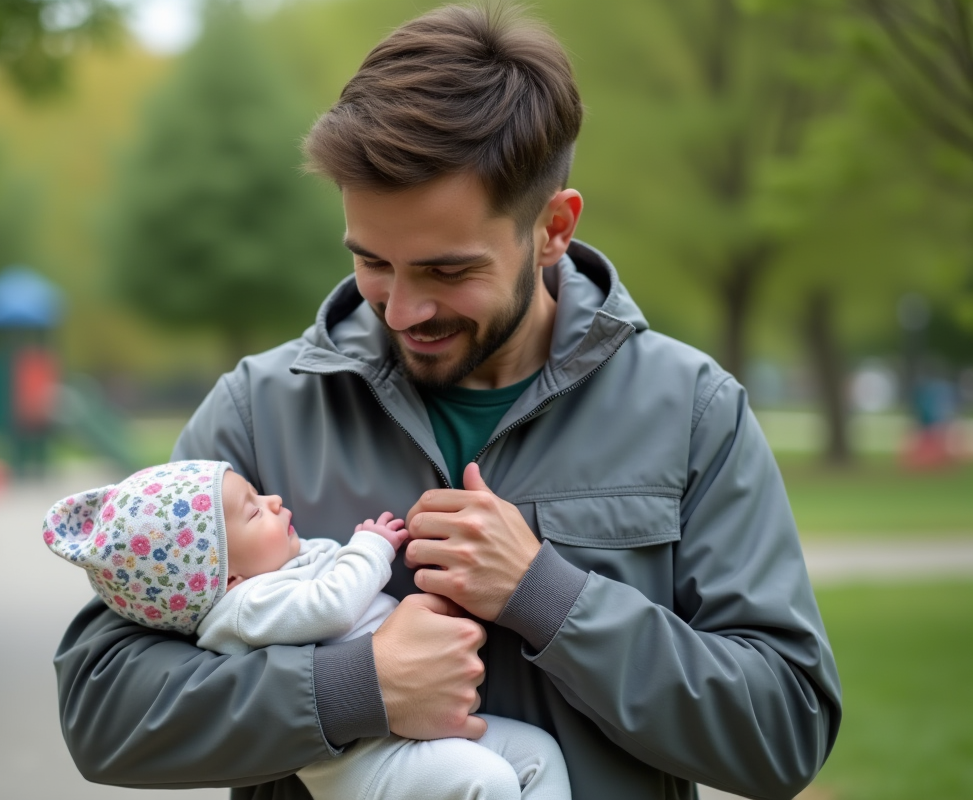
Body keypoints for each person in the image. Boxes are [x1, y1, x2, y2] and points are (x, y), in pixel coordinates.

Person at [54, 5, 842, 798]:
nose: (398, 310)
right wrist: (353, 689)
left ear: (553, 230)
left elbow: (784, 729)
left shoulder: (693, 412)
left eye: (446, 271)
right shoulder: (258, 411)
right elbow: (105, 710)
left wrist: (549, 598)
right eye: (372, 262)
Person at [44, 459, 571, 800]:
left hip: (409, 742)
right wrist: (371, 548)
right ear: (225, 575)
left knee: (537, 756)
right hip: (371, 765)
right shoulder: (243, 608)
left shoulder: (276, 572)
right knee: (489, 782)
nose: (272, 502)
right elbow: (332, 606)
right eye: (253, 511)